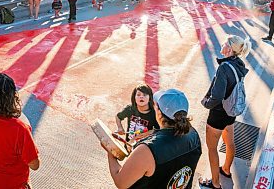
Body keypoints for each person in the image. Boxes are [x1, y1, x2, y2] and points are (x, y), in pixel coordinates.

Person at [106, 88, 202, 188]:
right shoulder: (194, 135)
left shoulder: (146, 150)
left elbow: (121, 182)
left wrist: (110, 150)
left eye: (155, 106)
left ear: (159, 113)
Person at [199, 35, 251, 189]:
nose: (221, 44)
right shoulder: (238, 63)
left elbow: (217, 96)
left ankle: (215, 183)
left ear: (229, 48)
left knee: (212, 148)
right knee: (230, 142)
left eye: (224, 42)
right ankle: (226, 170)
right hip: (231, 111)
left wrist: (206, 103)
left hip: (218, 113)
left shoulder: (224, 67)